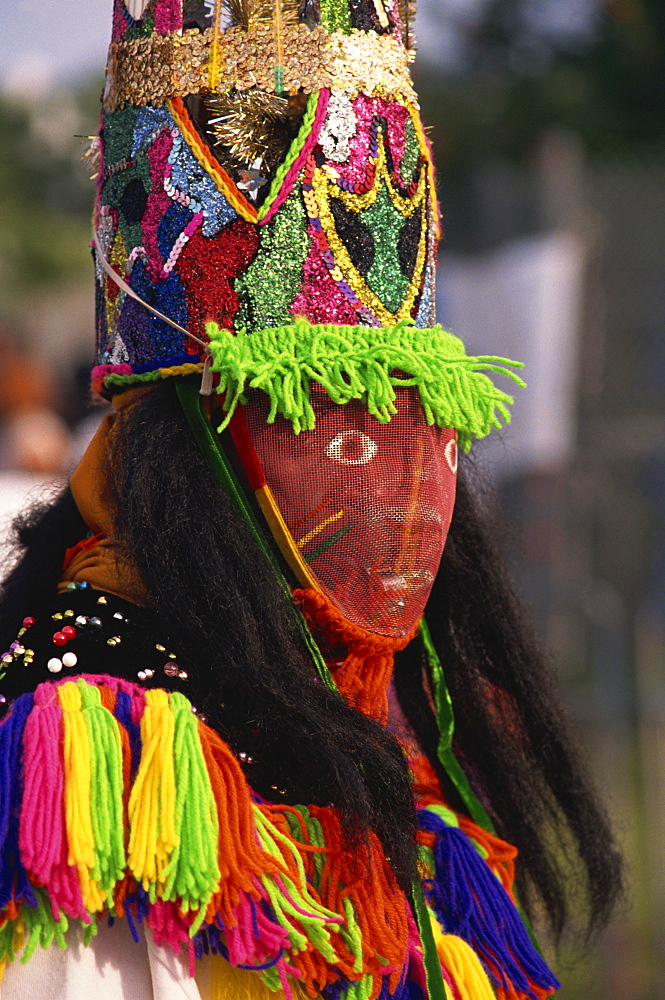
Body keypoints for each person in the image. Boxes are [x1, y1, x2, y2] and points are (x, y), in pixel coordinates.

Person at [0, 1, 622, 997]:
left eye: (428, 435)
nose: (407, 495)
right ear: (193, 449)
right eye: (339, 432)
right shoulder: (90, 766)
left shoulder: (382, 734)